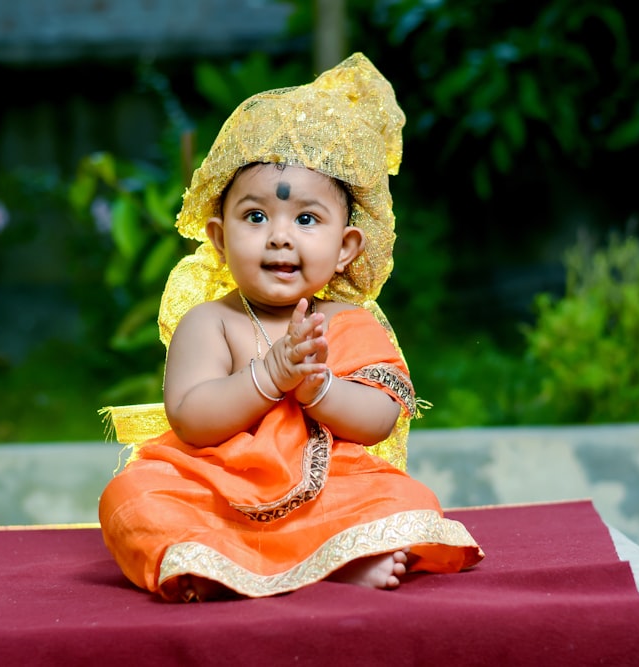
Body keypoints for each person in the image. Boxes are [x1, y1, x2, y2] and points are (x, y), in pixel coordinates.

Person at [98, 53, 484, 602]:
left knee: (405, 499)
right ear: (218, 236)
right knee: (131, 494)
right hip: (216, 486)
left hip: (326, 485)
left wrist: (318, 389)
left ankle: (328, 560)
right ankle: (226, 562)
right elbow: (190, 418)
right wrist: (268, 376)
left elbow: (379, 417)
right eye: (256, 217)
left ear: (346, 248)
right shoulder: (210, 322)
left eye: (306, 219)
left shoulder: (346, 323)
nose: (280, 237)